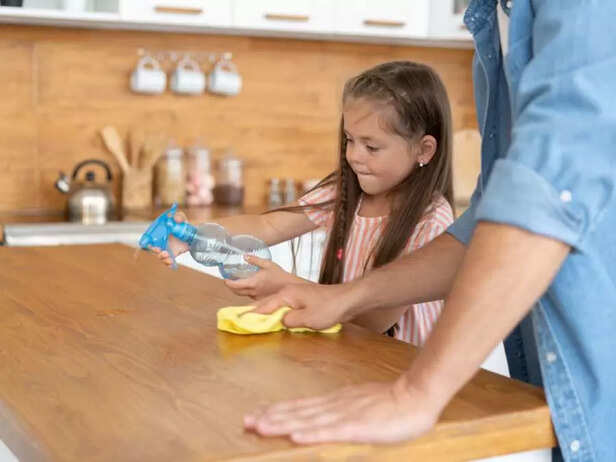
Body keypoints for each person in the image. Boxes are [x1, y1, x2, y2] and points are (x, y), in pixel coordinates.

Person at [243, 1, 616, 461]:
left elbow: (547, 192)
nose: (355, 155)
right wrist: (344, 297)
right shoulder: (493, 22)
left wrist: (416, 392)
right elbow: (482, 226)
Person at [152, 61, 455, 345]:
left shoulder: (431, 221)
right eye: (349, 140)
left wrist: (287, 288)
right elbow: (267, 224)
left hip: (402, 372)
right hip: (351, 356)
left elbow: (375, 320)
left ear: (424, 150)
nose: (354, 156)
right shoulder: (345, 191)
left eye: (371, 146)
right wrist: (191, 236)